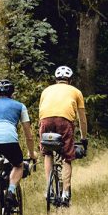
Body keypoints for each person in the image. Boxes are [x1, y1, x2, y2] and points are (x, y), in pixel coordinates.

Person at [37, 65, 88, 206]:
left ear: (56, 79)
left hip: (45, 121)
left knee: (47, 154)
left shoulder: (46, 91)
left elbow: (41, 112)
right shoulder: (76, 92)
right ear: (69, 80)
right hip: (64, 121)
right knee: (67, 157)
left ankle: (49, 190)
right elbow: (82, 119)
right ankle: (65, 193)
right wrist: (84, 138)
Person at [0, 79, 35, 207]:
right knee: (18, 165)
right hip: (9, 140)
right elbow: (29, 134)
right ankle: (10, 191)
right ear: (12, 93)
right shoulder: (20, 106)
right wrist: (31, 153)